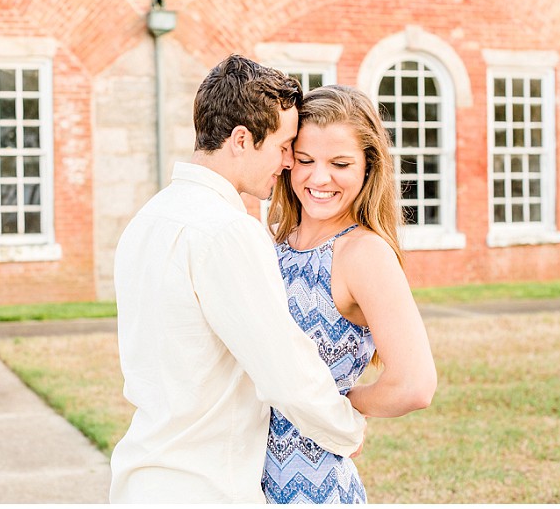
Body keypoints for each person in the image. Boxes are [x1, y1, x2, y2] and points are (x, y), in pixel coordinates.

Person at [109, 55, 367, 503]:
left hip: (143, 480)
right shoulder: (227, 230)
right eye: (284, 146)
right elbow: (282, 367)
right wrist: (347, 429)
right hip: (206, 487)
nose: (288, 163)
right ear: (242, 139)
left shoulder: (148, 219)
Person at [262, 84, 438, 503]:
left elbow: (414, 384)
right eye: (305, 160)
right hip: (241, 480)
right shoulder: (272, 241)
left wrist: (341, 405)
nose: (319, 178)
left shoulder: (363, 253)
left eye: (340, 163)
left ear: (368, 166)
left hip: (312, 486)